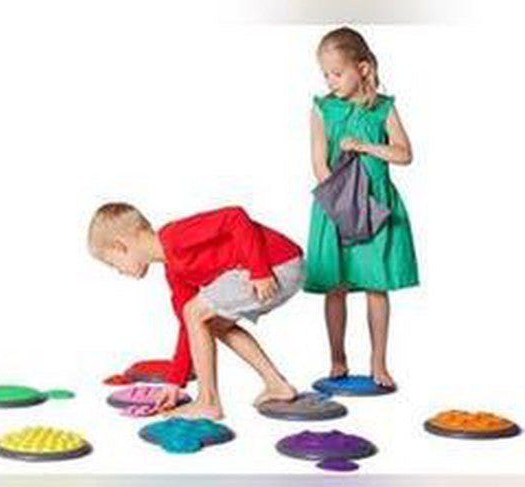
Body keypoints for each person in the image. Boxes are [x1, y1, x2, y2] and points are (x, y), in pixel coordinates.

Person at [88, 203, 304, 419]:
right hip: (271, 269)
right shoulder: (174, 270)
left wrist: (259, 270)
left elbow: (235, 216)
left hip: (277, 264)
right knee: (208, 323)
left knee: (195, 313)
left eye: (112, 264)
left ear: (120, 246)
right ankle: (277, 384)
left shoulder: (175, 236)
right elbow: (188, 325)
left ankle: (208, 402)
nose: (118, 271)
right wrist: (174, 383)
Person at [304, 27, 419, 388]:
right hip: (336, 207)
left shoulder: (384, 108)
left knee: (375, 285)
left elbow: (404, 154)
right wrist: (343, 206)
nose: (330, 81)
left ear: (363, 68)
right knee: (335, 286)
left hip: (376, 207)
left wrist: (366, 147)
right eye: (326, 74)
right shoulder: (322, 109)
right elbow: (319, 163)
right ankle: (337, 358)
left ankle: (378, 362)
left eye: (337, 73)